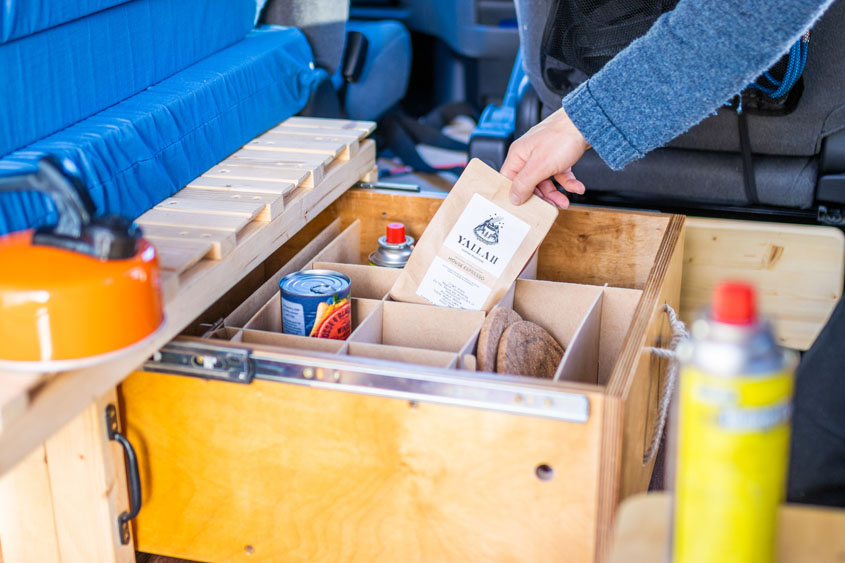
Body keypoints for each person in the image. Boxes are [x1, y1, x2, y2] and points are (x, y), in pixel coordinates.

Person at [499, 0, 845, 507]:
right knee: (803, 476)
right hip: (799, 142)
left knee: (805, 476)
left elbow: (749, 14)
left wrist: (577, 120)